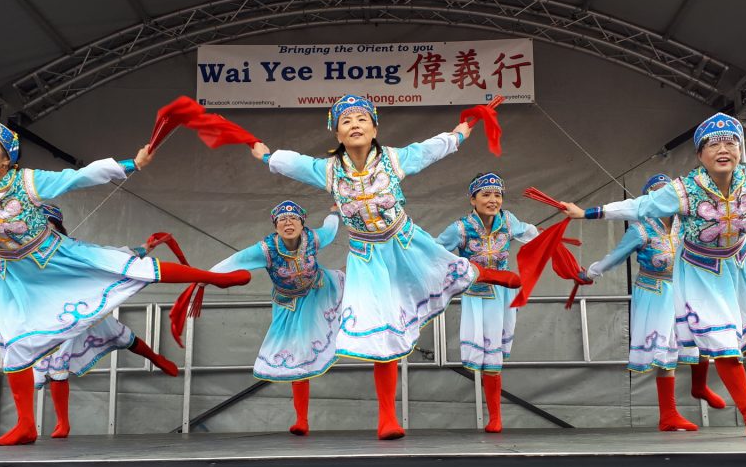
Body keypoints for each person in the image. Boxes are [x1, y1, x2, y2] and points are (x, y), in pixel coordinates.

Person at [0, 117, 251, 445]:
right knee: (13, 347)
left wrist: (130, 164)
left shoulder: (27, 181)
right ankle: (27, 425)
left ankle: (216, 278)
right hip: (18, 279)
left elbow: (76, 177)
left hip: (58, 260)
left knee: (130, 268)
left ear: (6, 159)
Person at [562, 113, 746, 436]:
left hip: (743, 259)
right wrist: (589, 213)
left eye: (731, 142)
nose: (723, 149)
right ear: (700, 155)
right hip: (701, 270)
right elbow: (640, 206)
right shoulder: (684, 190)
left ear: (741, 150)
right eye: (713, 144)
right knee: (722, 340)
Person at [250, 95, 520, 439]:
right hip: (366, 257)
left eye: (362, 119)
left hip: (405, 243)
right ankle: (387, 418)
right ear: (337, 134)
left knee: (449, 268)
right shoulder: (328, 170)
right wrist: (265, 155)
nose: (355, 125)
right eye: (346, 121)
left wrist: (466, 126)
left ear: (374, 127)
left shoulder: (394, 159)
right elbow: (293, 163)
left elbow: (434, 147)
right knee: (381, 332)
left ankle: (488, 273)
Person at [0, 203, 180, 439]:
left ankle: (156, 358)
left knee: (121, 335)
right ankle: (63, 423)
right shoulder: (18, 251)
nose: (41, 229)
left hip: (76, 309)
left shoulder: (69, 248)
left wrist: (144, 248)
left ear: (56, 227)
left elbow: (108, 255)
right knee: (56, 364)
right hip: (45, 316)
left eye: (47, 225)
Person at [581, 174, 726, 432]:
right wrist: (592, 272)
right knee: (666, 351)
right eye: (658, 195)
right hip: (655, 291)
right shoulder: (640, 228)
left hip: (685, 288)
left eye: (668, 194)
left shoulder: (687, 223)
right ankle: (668, 414)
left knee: (704, 335)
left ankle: (699, 386)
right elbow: (616, 255)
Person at [197, 201, 344, 435]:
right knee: (298, 357)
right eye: (282, 221)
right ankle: (302, 420)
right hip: (288, 305)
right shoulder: (265, 249)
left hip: (319, 291)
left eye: (293, 219)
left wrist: (334, 213)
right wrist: (206, 276)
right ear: (275, 227)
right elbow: (235, 261)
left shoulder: (313, 239)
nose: (288, 224)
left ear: (302, 223)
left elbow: (330, 229)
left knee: (354, 297)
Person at [435, 172, 539, 433]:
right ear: (473, 199)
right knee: (486, 356)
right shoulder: (459, 228)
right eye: (486, 195)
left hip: (504, 294)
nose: (493, 200)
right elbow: (436, 252)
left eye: (497, 195)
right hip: (476, 296)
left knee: (495, 359)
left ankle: (495, 418)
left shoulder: (508, 221)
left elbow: (533, 235)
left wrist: (553, 240)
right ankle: (495, 418)